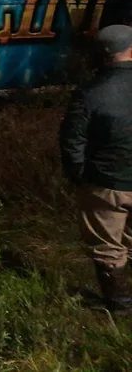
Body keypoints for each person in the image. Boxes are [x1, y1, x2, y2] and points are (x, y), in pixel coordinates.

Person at [59, 24, 132, 313]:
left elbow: (72, 139)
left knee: (108, 246)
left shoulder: (90, 93)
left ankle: (119, 304)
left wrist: (79, 174)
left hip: (105, 184)